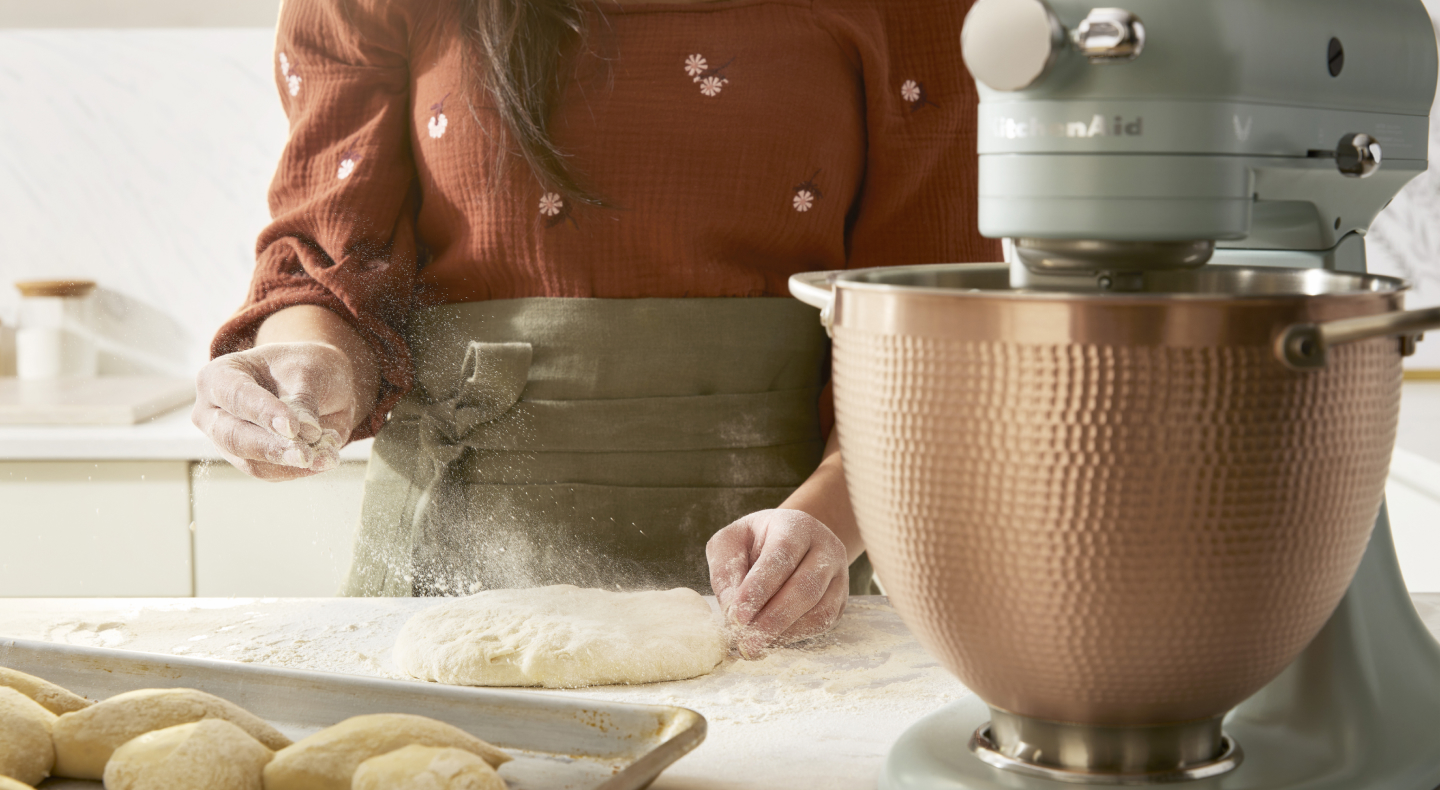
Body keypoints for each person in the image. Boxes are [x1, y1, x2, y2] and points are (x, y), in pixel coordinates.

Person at [193, 0, 997, 656]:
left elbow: (926, 338)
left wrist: (824, 522)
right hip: (442, 566)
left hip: (771, 571)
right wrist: (309, 366)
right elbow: (333, 263)